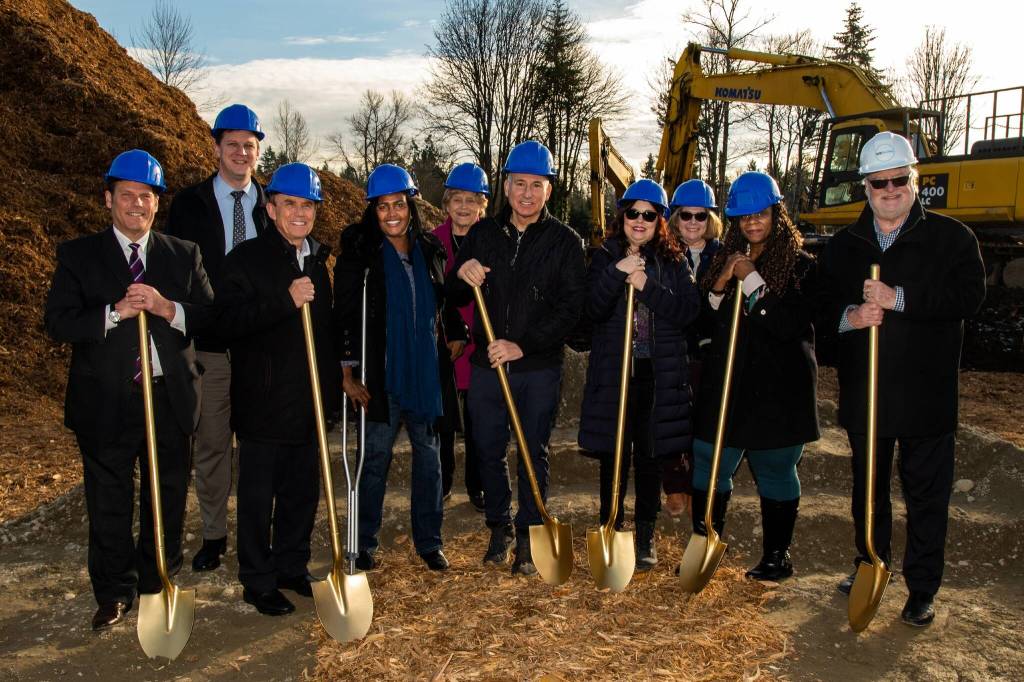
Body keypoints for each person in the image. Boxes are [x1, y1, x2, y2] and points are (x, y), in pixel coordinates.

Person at [818, 131, 985, 626]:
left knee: (926, 496)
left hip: (926, 396)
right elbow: (820, 310)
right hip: (867, 393)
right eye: (879, 182)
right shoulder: (844, 246)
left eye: (898, 180)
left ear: (914, 179)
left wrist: (900, 300)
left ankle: (922, 587)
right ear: (865, 187)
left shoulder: (953, 239)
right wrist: (851, 316)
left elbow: (969, 298)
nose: (889, 190)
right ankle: (871, 562)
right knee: (867, 491)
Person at [43, 150, 214, 630]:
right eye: (127, 195)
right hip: (106, 401)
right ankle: (114, 592)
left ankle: (158, 581)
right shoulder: (78, 255)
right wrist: (113, 313)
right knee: (109, 499)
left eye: (146, 196)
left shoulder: (183, 254)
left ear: (157, 203)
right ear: (108, 199)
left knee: (167, 494)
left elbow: (211, 317)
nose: (137, 204)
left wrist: (166, 308)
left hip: (168, 397)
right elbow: (57, 322)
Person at [446, 140, 586, 576]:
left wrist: (523, 345)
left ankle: (528, 531)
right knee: (487, 448)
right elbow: (453, 293)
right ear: (506, 187)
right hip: (488, 365)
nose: (527, 193)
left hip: (537, 366)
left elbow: (571, 309)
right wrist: (460, 273)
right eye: (519, 183)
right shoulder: (483, 235)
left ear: (549, 190)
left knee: (531, 450)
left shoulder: (566, 242)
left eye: (536, 185)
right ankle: (499, 526)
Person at [215, 163, 338, 616]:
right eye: (290, 204)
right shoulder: (244, 261)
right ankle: (257, 579)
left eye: (308, 205)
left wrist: (329, 395)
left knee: (300, 494)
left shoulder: (318, 261)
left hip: (307, 403)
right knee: (256, 498)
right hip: (263, 402)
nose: (300, 213)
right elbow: (225, 324)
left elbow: (323, 337)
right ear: (270, 209)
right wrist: (284, 301)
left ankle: (291, 565)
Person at [334, 164, 465, 573]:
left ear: (411, 207)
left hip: (424, 373)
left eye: (399, 205)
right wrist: (347, 372)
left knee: (430, 458)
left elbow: (443, 297)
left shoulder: (429, 248)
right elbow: (345, 313)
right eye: (383, 206)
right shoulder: (361, 251)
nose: (392, 213)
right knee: (374, 458)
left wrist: (456, 330)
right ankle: (363, 542)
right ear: (372, 210)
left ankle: (429, 542)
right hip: (381, 374)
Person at [691, 171, 819, 582]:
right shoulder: (722, 261)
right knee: (709, 457)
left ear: (777, 214)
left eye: (760, 214)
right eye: (744, 216)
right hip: (726, 381)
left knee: (775, 465)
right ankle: (705, 545)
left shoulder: (801, 267)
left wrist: (750, 279)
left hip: (777, 386)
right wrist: (721, 283)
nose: (752, 223)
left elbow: (785, 325)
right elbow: (701, 324)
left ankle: (777, 556)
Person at [166, 104, 270, 572]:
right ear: (216, 148)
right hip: (209, 347)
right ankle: (213, 533)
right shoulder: (189, 205)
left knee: (258, 444)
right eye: (233, 144)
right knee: (211, 444)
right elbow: (174, 272)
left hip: (259, 347)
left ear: (257, 151)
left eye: (249, 145)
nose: (241, 153)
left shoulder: (272, 205)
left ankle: (255, 530)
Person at [578, 179, 700, 570]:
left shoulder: (674, 260)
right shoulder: (604, 257)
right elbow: (591, 309)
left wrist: (646, 285)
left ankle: (645, 534)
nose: (640, 220)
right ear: (623, 216)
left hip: (655, 374)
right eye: (634, 212)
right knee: (613, 456)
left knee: (649, 457)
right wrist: (618, 272)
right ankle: (610, 526)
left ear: (660, 220)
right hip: (616, 372)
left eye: (650, 214)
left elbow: (688, 312)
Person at [662, 179, 723, 516]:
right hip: (674, 347)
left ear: (710, 219)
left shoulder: (723, 255)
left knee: (704, 420)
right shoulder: (664, 254)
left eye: (701, 216)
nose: (693, 222)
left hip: (710, 351)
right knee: (672, 419)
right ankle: (675, 485)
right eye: (686, 215)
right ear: (676, 218)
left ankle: (700, 483)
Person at [432, 163, 489, 512]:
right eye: (457, 199)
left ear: (482, 204)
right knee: (444, 419)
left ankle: (477, 484)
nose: (464, 207)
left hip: (482, 340)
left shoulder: (493, 240)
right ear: (447, 203)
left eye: (471, 200)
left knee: (479, 418)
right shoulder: (432, 241)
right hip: (445, 341)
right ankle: (444, 479)